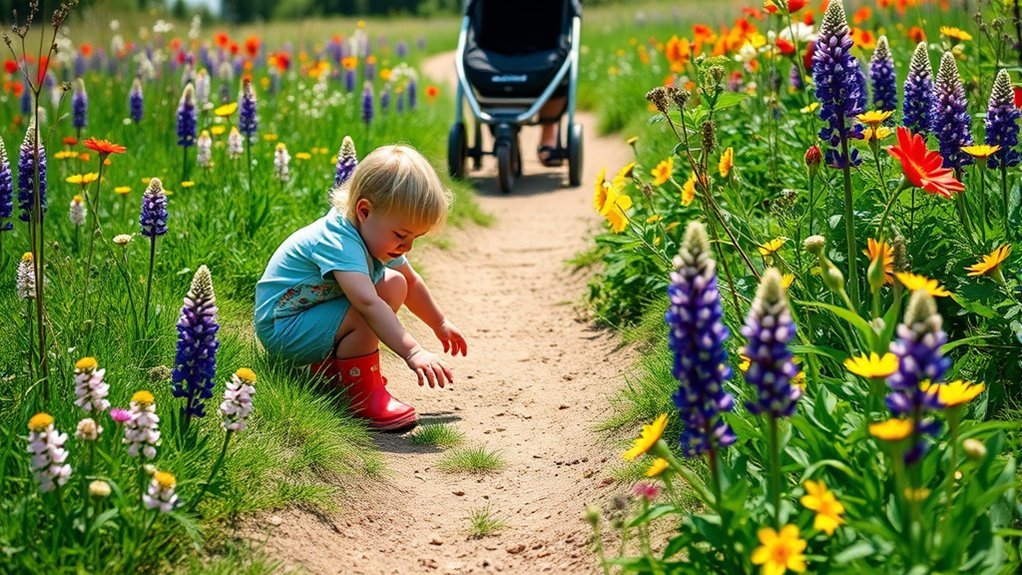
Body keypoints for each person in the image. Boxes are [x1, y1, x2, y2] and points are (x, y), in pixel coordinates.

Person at [255, 144, 468, 431]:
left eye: (415, 237)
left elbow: (412, 281)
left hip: (308, 316)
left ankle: (332, 374)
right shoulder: (339, 241)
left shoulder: (371, 234)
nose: (407, 247)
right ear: (364, 211)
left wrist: (439, 322)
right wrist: (413, 352)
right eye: (401, 235)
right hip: (283, 328)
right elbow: (368, 304)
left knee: (395, 283)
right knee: (367, 310)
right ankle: (361, 396)